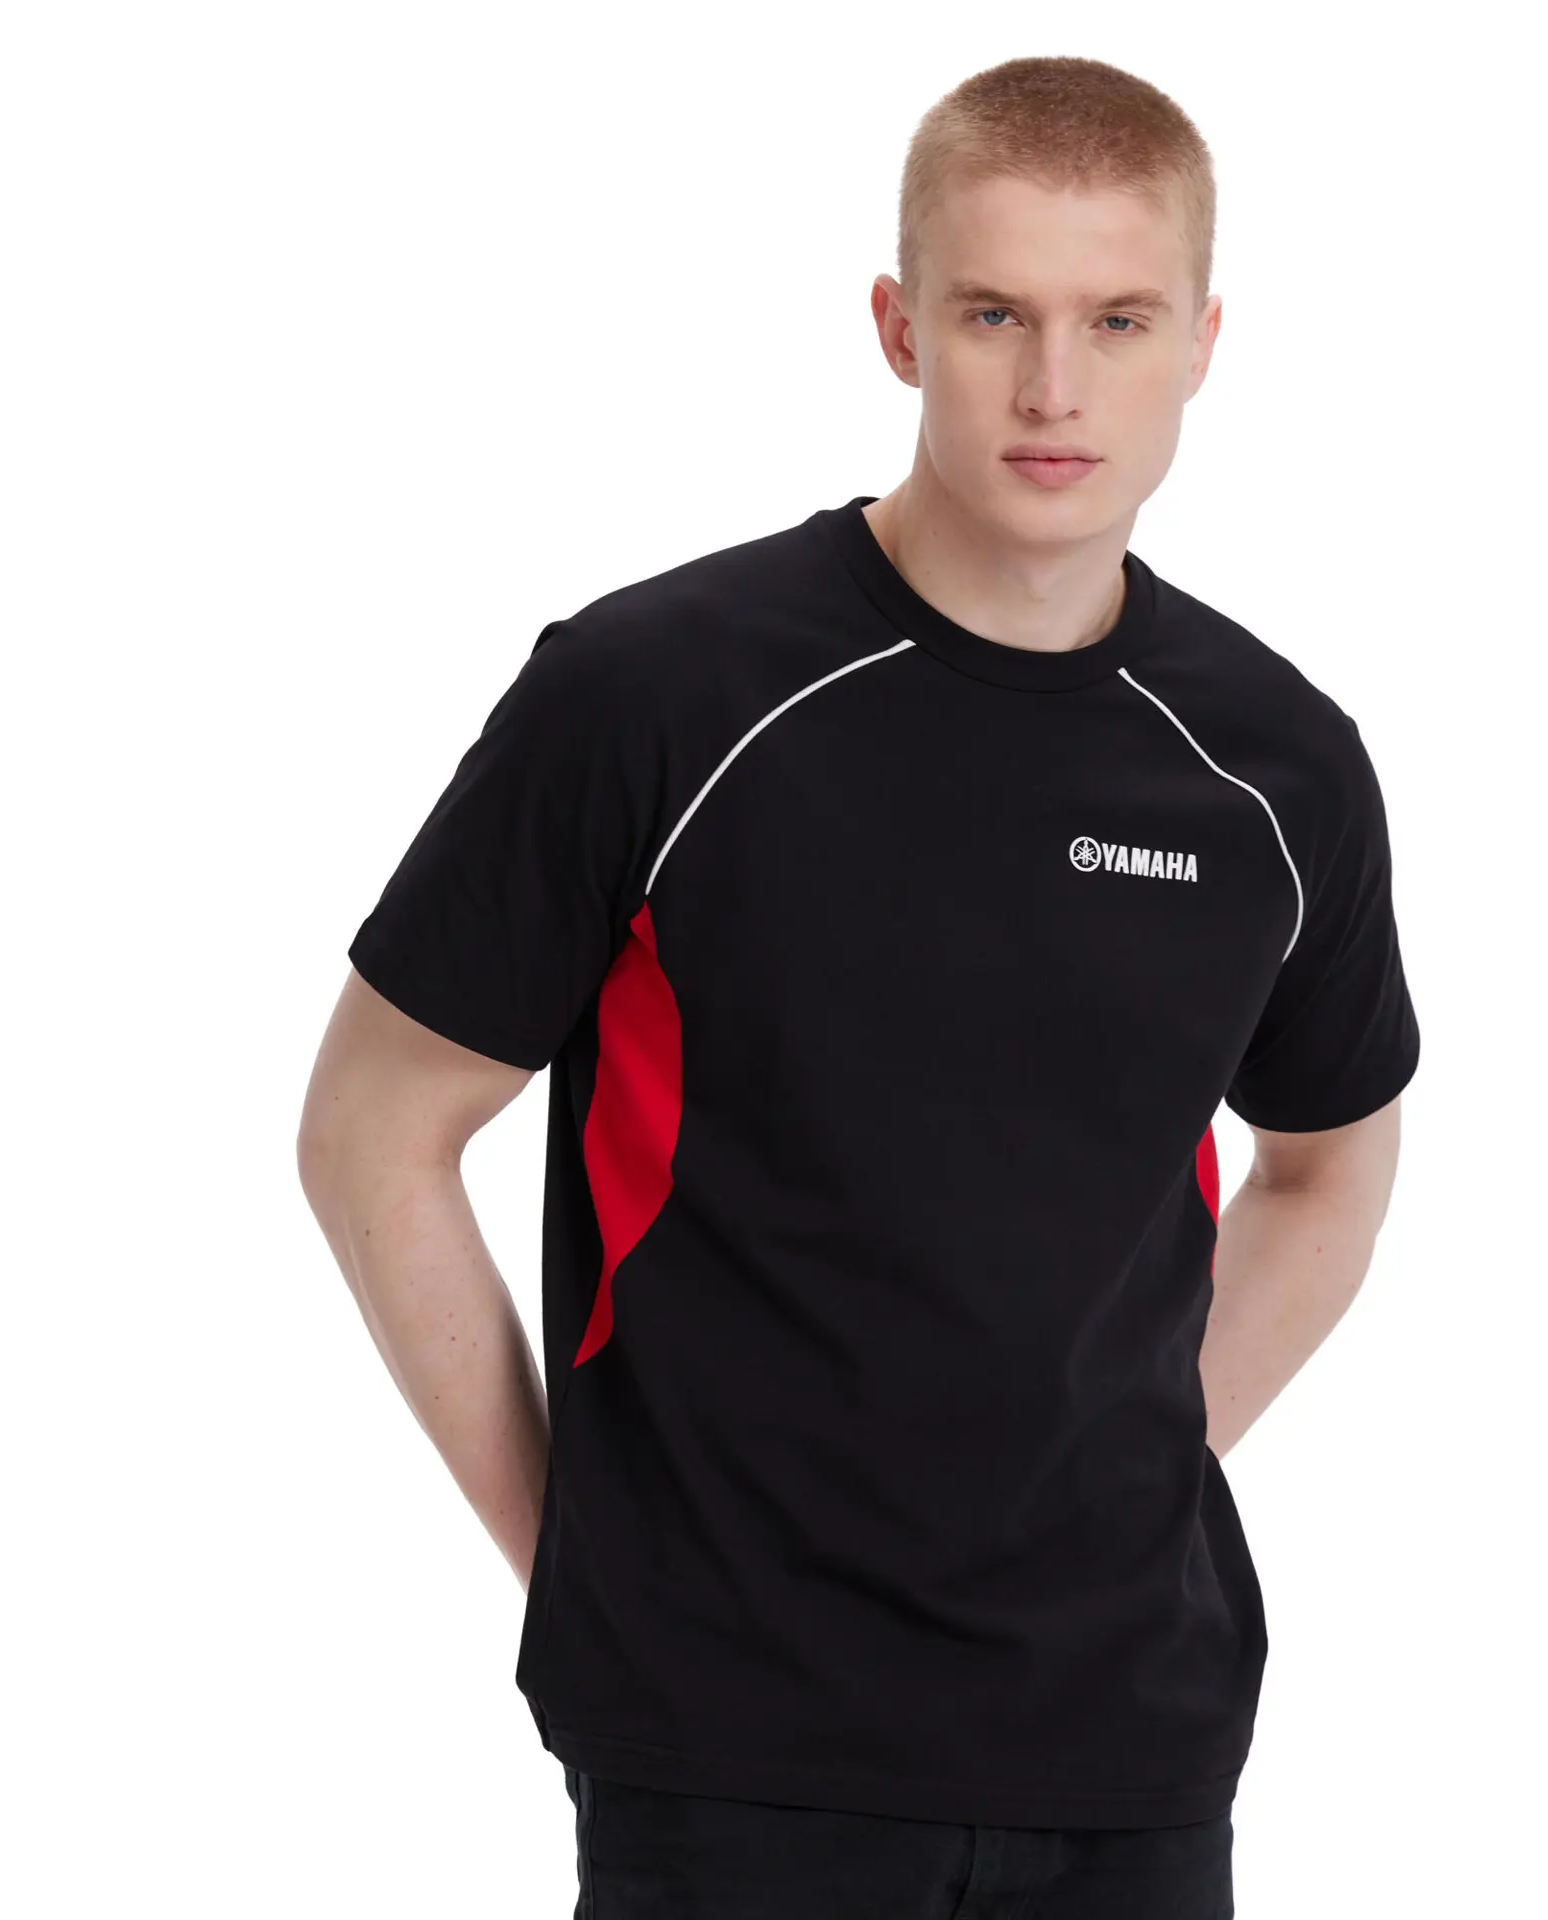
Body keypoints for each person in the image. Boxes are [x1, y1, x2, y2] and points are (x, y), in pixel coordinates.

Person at [297, 52, 1420, 1920]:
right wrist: (577, 1552)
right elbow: (371, 1131)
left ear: (1202, 345)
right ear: (899, 327)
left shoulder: (1276, 766)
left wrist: (1130, 1464)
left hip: (1129, 1751)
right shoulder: (657, 694)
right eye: (995, 315)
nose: (1055, 387)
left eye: (1117, 320)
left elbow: (1332, 1168)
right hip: (728, 1759)